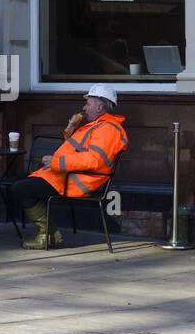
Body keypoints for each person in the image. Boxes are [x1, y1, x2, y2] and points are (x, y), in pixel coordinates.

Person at [9, 84, 128, 249]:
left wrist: (56, 162)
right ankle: (48, 233)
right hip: (64, 175)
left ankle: (47, 234)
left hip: (74, 181)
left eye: (88, 104)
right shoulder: (97, 126)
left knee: (21, 188)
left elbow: (93, 160)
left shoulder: (108, 129)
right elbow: (78, 150)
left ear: (100, 107)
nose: (84, 108)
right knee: (17, 183)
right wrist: (70, 129)